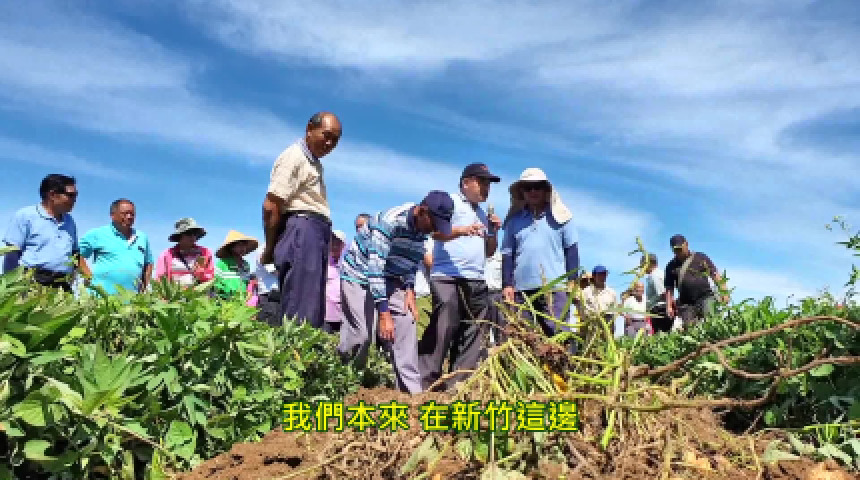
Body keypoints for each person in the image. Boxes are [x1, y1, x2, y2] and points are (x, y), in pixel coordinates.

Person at [338, 191, 454, 394]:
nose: (435, 229)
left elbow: (411, 261)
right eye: (434, 223)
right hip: (359, 274)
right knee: (361, 335)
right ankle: (346, 382)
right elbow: (375, 269)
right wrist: (384, 314)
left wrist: (409, 289)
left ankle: (411, 392)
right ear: (422, 211)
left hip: (390, 277)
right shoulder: (389, 222)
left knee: (407, 322)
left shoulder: (422, 230)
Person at [417, 163, 502, 391]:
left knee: (474, 330)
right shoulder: (450, 203)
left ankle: (458, 384)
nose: (486, 187)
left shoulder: (483, 214)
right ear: (466, 183)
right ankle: (425, 382)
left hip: (476, 279)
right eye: (481, 182)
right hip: (447, 275)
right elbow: (433, 231)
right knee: (443, 326)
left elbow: (489, 252)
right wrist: (461, 230)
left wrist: (494, 232)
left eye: (488, 184)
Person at [261, 112, 342, 329]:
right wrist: (270, 248)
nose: (329, 143)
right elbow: (271, 205)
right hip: (302, 229)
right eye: (326, 135)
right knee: (301, 308)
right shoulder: (294, 156)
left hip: (314, 231)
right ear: (309, 129)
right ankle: (292, 350)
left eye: (335, 140)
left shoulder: (313, 163)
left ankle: (303, 349)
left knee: (311, 304)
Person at [500, 168, 580, 339]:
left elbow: (571, 251)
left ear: (546, 190)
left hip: (554, 288)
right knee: (523, 337)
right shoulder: (513, 222)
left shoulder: (562, 218)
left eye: (537, 186)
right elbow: (507, 255)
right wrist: (507, 284)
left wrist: (573, 281)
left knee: (558, 336)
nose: (533, 191)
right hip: (521, 291)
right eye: (528, 188)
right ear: (522, 192)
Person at [2, 174, 89, 291]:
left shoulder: (70, 221)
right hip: (32, 282)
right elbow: (11, 254)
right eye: (70, 195)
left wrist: (86, 274)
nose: (75, 200)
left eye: (76, 195)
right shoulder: (26, 216)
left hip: (62, 285)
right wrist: (12, 287)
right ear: (52, 195)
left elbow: (75, 254)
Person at [78, 199, 153, 294]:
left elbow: (149, 263)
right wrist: (88, 276)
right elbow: (76, 255)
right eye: (125, 213)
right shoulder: (97, 234)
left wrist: (143, 288)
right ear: (112, 215)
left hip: (132, 299)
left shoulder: (142, 237)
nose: (129, 217)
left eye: (132, 214)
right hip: (101, 298)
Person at [664, 234, 729, 328]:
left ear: (686, 244)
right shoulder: (670, 266)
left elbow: (715, 275)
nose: (678, 252)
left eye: (680, 249)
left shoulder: (700, 257)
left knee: (713, 322)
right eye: (675, 250)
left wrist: (724, 292)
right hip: (686, 303)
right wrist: (669, 306)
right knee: (689, 328)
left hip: (705, 297)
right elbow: (669, 288)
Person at [154, 218, 214, 288]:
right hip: (175, 293)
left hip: (200, 293)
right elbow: (160, 279)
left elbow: (211, 277)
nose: (193, 237)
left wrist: (201, 274)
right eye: (188, 233)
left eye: (195, 233)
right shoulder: (167, 254)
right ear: (180, 236)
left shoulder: (205, 253)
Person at [214, 230, 258, 301]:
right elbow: (216, 283)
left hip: (242, 300)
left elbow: (246, 283)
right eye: (239, 245)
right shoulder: (222, 263)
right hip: (224, 300)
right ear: (231, 247)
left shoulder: (246, 265)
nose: (242, 248)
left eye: (244, 245)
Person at [324, 229, 347, 334]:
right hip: (326, 316)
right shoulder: (323, 263)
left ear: (343, 246)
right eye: (332, 242)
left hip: (343, 316)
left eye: (338, 243)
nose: (334, 246)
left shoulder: (347, 264)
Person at [642, 253, 670, 333]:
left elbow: (663, 294)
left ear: (648, 263)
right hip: (660, 308)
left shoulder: (655, 276)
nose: (641, 268)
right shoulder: (658, 274)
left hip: (659, 309)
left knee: (660, 334)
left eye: (642, 264)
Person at [251, 251, 281, 326]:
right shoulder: (264, 251)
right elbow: (275, 271)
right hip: (268, 296)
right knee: (268, 324)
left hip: (275, 295)